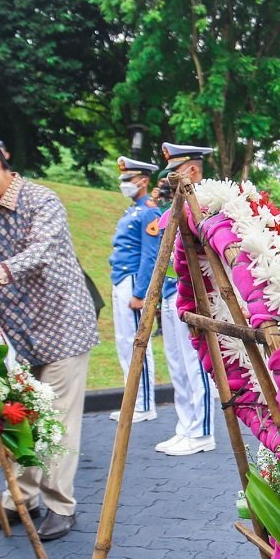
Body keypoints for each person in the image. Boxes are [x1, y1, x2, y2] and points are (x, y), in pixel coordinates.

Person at [0, 134, 99, 541]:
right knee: (19, 417)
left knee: (54, 419)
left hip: (63, 327)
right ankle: (21, 501)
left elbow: (44, 250)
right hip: (18, 337)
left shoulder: (40, 200)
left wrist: (0, 272)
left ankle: (60, 506)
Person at [153, 142, 216, 457]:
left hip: (193, 294)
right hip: (170, 291)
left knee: (195, 364)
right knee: (176, 364)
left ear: (192, 170)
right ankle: (186, 427)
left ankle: (202, 431)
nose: (169, 180)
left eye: (175, 172)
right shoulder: (173, 209)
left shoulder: (206, 205)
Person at [108, 155, 161, 423]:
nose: (125, 184)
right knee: (123, 343)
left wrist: (140, 293)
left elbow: (150, 256)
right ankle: (134, 401)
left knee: (138, 344)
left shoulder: (150, 211)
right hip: (120, 279)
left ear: (142, 180)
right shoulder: (133, 211)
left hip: (132, 283)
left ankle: (144, 404)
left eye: (128, 179)